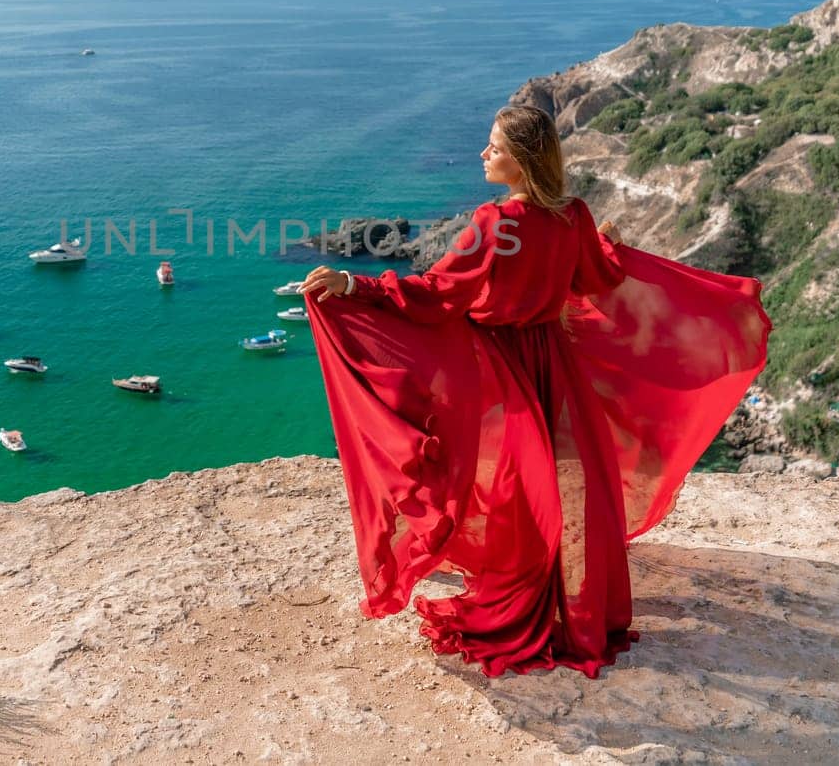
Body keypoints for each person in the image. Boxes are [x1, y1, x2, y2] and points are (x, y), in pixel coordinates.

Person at [301, 104, 769, 678]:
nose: (483, 154)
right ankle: (573, 600)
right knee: (563, 483)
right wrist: (599, 244)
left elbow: (437, 292)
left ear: (520, 162)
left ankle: (517, 589)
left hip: (500, 365)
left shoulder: (497, 224)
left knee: (503, 481)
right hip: (557, 363)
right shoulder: (571, 215)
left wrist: (356, 283)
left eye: (493, 147)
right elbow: (595, 279)